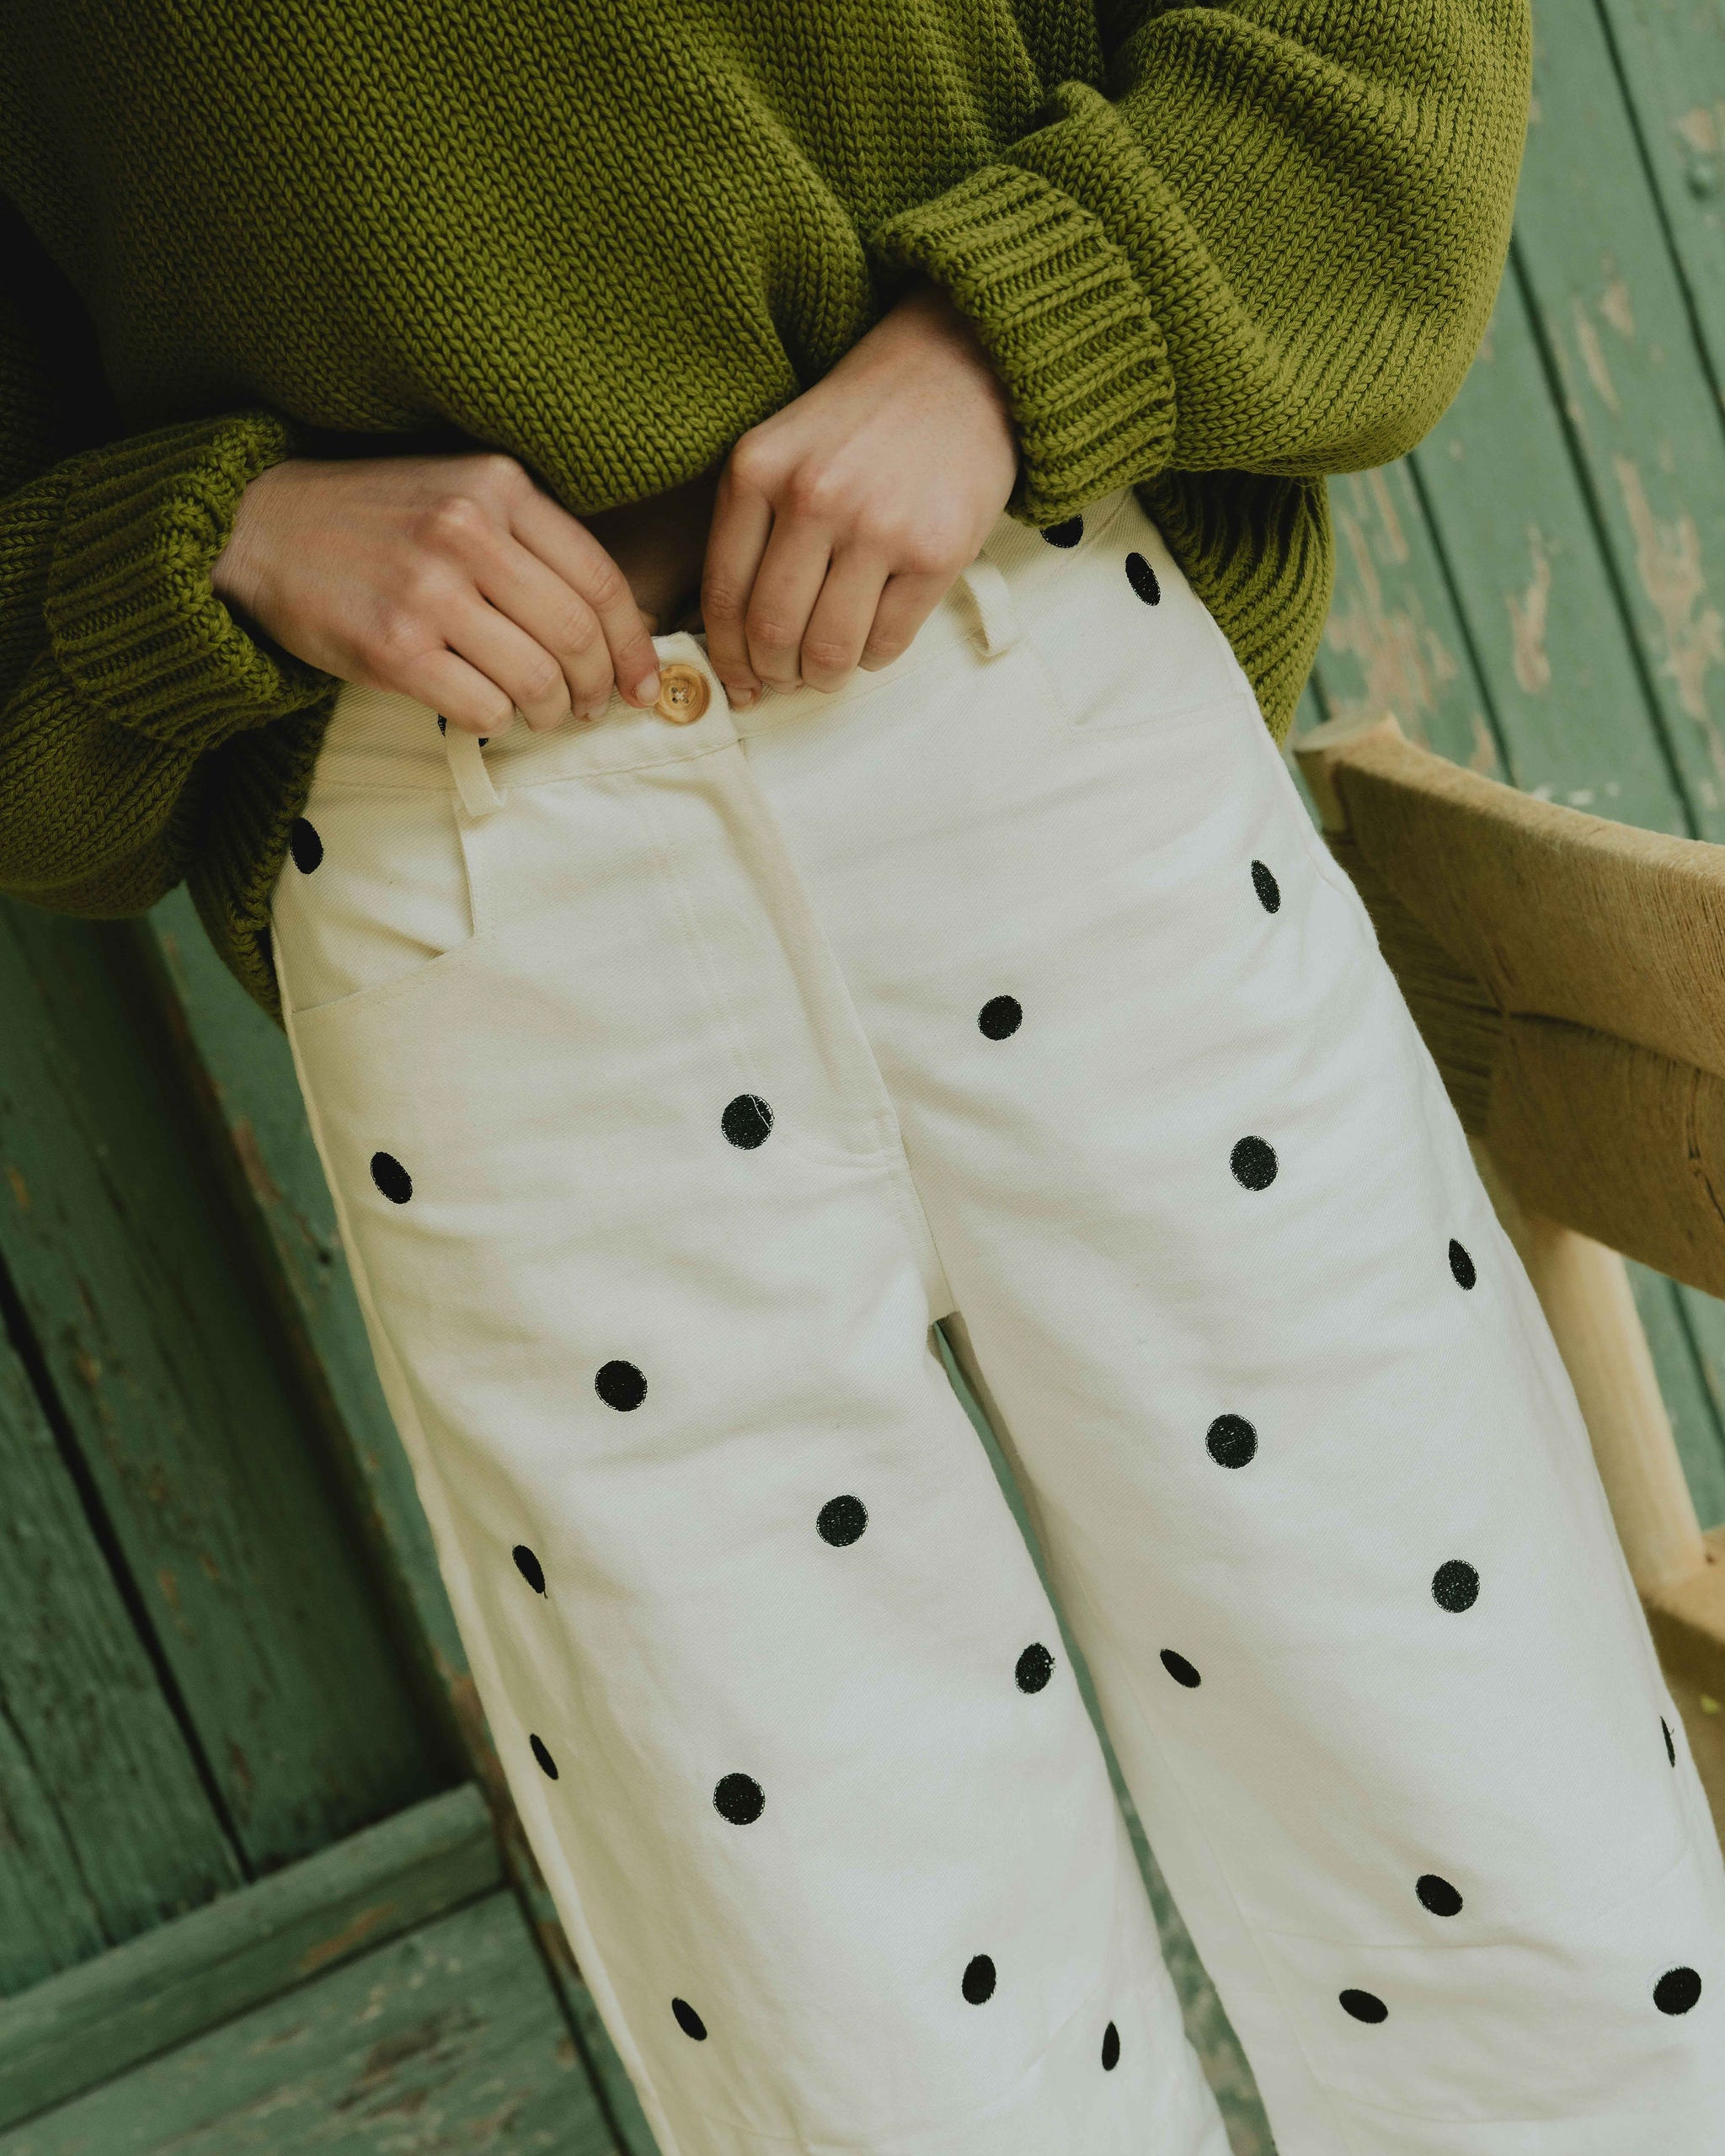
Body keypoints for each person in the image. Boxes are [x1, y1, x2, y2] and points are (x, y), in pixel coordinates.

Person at [7, 4, 1723, 2150]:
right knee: (861, 2036)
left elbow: (1387, 45)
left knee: (1502, 1839)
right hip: (477, 894)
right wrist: (209, 539)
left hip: (1037, 708)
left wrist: (1011, 334)